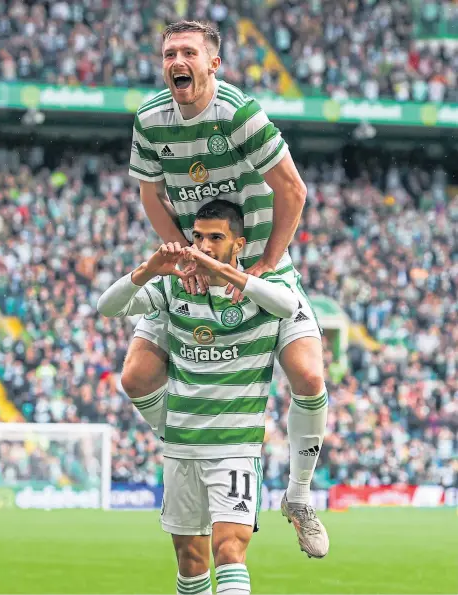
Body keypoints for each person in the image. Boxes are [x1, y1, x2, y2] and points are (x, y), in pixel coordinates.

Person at [126, 19, 329, 558]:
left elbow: (293, 189)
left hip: (258, 263)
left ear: (213, 64)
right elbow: (151, 198)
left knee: (309, 375)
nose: (176, 61)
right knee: (137, 374)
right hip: (196, 261)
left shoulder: (239, 113)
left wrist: (265, 264)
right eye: (169, 52)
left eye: (188, 52)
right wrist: (180, 257)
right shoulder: (150, 120)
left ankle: (300, 497)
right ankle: (190, 447)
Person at [98, 200, 301, 595]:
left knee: (229, 550)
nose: (204, 246)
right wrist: (147, 271)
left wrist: (224, 275)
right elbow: (108, 307)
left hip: (235, 448)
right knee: (190, 562)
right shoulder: (174, 285)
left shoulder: (262, 286)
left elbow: (289, 306)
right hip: (182, 448)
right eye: (198, 237)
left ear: (238, 243)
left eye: (216, 237)